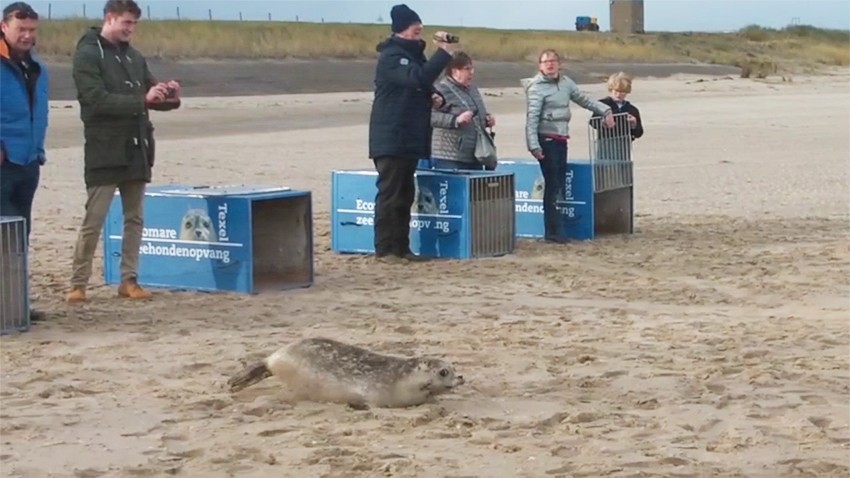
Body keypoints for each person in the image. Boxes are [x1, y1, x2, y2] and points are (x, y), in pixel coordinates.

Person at [66, 0, 181, 303]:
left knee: (135, 218)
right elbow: (95, 100)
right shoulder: (88, 53)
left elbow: (151, 93)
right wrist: (142, 100)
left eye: (134, 24)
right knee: (95, 218)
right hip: (104, 149)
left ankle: (128, 279)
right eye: (125, 23)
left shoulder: (134, 57)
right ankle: (78, 283)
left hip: (136, 147)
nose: (130, 29)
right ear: (109, 19)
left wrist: (168, 95)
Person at [368, 4, 454, 263]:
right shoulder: (392, 57)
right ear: (401, 30)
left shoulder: (415, 56)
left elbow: (423, 83)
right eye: (415, 30)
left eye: (420, 30)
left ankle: (402, 248)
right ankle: (385, 250)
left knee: (406, 194)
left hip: (410, 136)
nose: (420, 34)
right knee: (390, 194)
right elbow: (415, 78)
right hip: (390, 136)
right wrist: (443, 54)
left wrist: (434, 97)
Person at [522, 49, 615, 244]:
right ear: (540, 66)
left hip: (561, 138)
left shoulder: (566, 83)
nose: (550, 64)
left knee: (558, 183)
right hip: (545, 139)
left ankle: (555, 230)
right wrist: (533, 145)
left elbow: (584, 100)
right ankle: (554, 231)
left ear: (559, 63)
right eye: (546, 62)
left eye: (553, 61)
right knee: (553, 184)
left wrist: (605, 110)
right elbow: (531, 119)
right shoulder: (536, 88)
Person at [0, 1, 49, 321]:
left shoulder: (37, 67)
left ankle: (15, 303)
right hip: (3, 164)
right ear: (4, 27)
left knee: (20, 236)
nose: (27, 36)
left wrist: (38, 150)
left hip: (28, 162)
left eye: (32, 30)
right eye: (21, 29)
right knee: (2, 235)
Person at [430, 51, 496, 171]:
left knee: (475, 188)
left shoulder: (473, 89)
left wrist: (487, 119)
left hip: (475, 153)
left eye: (472, 69)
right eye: (467, 69)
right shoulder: (441, 90)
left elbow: (478, 112)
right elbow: (430, 117)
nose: (471, 73)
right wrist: (455, 120)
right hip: (450, 155)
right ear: (455, 71)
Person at [590, 71, 644, 161]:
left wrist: (634, 123)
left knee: (622, 170)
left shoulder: (632, 109)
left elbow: (639, 133)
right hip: (605, 143)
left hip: (623, 145)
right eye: (616, 91)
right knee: (604, 169)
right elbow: (592, 122)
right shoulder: (602, 104)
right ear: (611, 89)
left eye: (622, 92)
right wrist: (603, 122)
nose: (619, 95)